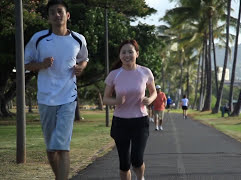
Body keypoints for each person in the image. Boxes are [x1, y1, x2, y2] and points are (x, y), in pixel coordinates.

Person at [24, 0, 89, 179]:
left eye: (60, 11)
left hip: (68, 98)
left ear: (67, 15)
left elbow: (84, 58)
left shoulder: (78, 39)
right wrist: (41, 65)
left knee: (62, 146)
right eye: (52, 12)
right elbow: (25, 64)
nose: (56, 15)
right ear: (48, 18)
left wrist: (81, 67)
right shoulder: (39, 39)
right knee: (51, 149)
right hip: (45, 99)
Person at [103, 39, 157, 180]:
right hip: (120, 122)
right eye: (123, 52)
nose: (127, 55)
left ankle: (140, 178)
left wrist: (150, 100)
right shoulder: (114, 75)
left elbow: (153, 92)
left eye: (130, 52)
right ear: (120, 55)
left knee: (137, 160)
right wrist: (117, 101)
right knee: (124, 164)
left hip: (140, 121)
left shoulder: (145, 72)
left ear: (137, 54)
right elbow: (105, 99)